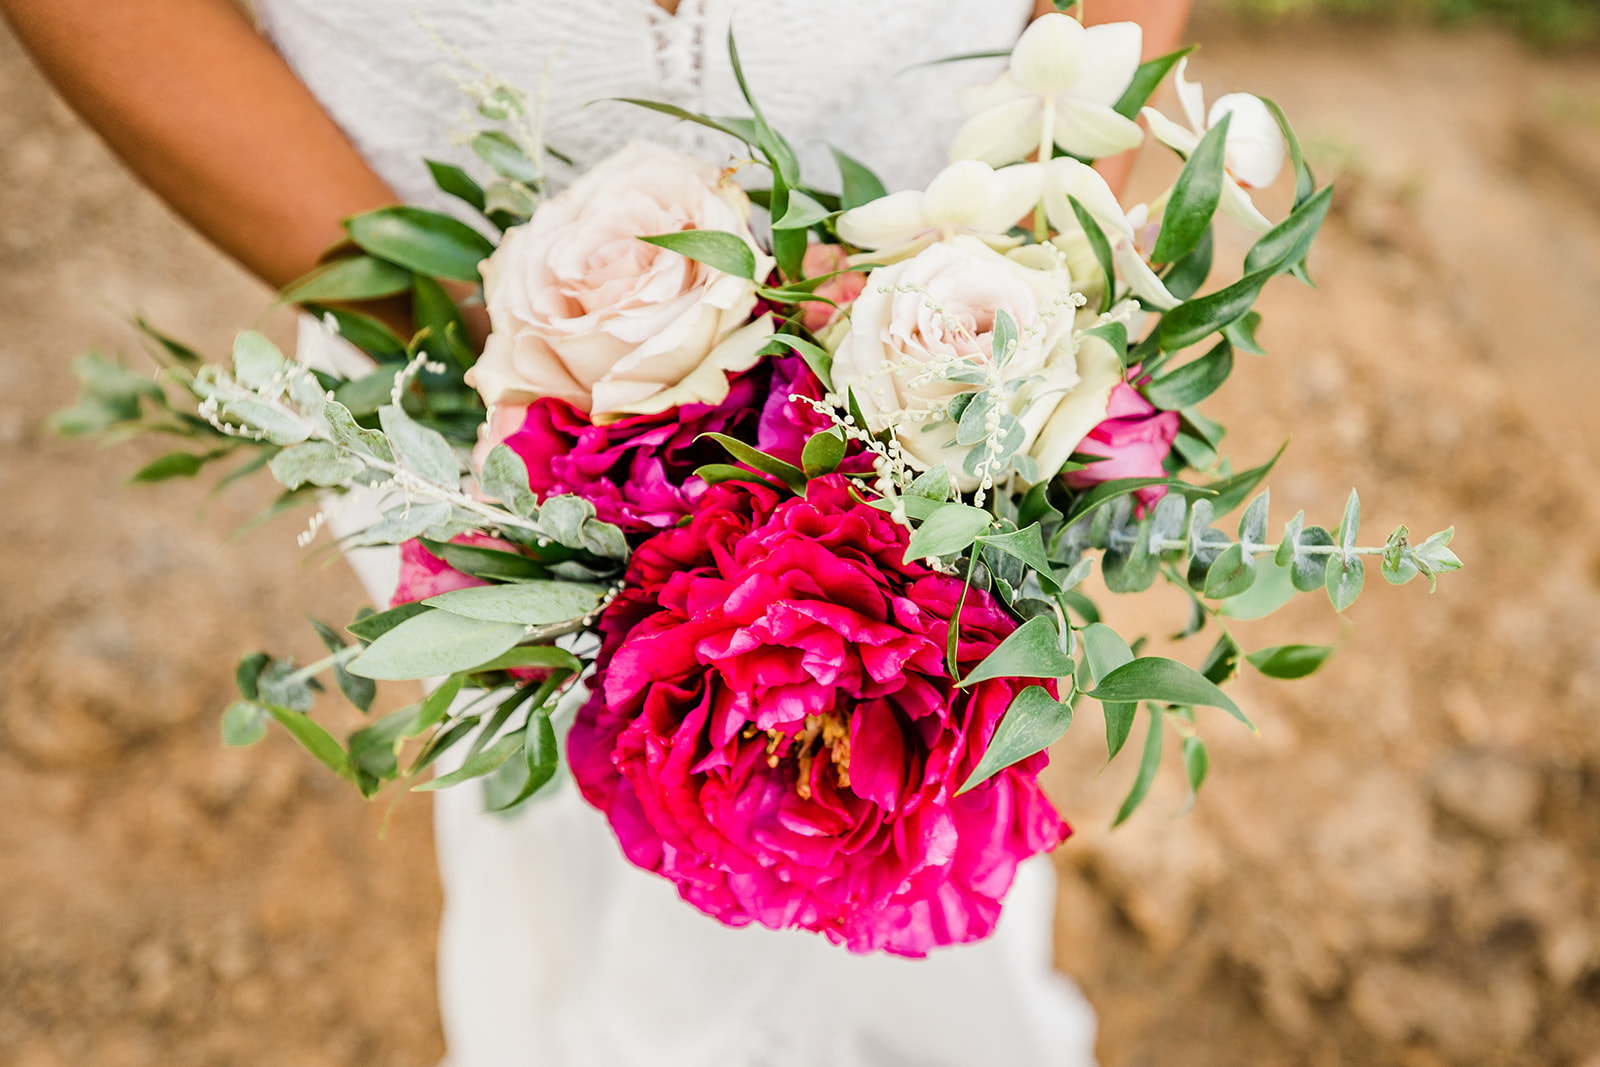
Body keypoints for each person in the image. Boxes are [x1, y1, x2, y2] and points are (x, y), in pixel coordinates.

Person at [1, 1, 1194, 1064]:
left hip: (955, 364)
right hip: (479, 398)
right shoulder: (500, 413)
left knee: (924, 822)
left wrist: (1048, 252)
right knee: (565, 829)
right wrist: (540, 365)